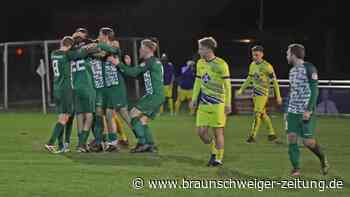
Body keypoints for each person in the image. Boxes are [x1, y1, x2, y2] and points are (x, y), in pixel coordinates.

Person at [109, 39, 164, 153]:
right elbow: (136, 74)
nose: (139, 50)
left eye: (141, 48)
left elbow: (133, 73)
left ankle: (142, 143)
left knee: (133, 114)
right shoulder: (153, 62)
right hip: (157, 96)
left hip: (153, 96)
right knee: (143, 121)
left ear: (147, 49)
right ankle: (151, 145)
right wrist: (126, 65)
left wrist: (118, 63)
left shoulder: (150, 61)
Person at [286, 43, 329, 176]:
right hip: (293, 111)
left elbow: (315, 90)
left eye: (287, 53)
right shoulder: (292, 71)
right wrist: (287, 111)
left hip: (305, 111)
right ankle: (296, 168)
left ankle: (322, 159)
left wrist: (309, 110)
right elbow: (293, 92)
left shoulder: (309, 68)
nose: (286, 56)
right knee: (291, 138)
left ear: (293, 55)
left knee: (308, 142)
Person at [190, 37, 232, 166]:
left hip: (218, 103)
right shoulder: (200, 63)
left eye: (201, 48)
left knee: (218, 132)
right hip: (204, 103)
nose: (199, 51)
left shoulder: (221, 64)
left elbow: (227, 85)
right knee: (201, 132)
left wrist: (228, 103)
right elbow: (198, 81)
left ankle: (217, 158)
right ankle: (213, 146)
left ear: (208, 49)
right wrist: (194, 98)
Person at [236, 45, 282, 143]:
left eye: (256, 55)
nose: (254, 57)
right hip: (255, 93)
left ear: (262, 55)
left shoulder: (267, 66)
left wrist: (278, 96)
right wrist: (241, 89)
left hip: (263, 93)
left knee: (257, 114)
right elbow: (249, 78)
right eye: (253, 55)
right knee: (263, 113)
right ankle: (272, 134)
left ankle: (252, 136)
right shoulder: (252, 65)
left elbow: (275, 82)